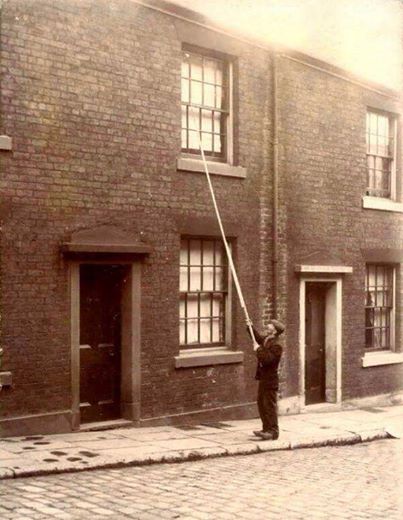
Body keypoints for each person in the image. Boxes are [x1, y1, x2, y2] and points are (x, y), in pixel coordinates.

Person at [247, 319, 285, 440]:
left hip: (270, 380)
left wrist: (258, 349)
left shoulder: (277, 345)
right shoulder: (268, 340)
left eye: (270, 324)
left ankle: (273, 431)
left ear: (274, 330)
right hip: (264, 379)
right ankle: (266, 429)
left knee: (269, 406)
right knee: (262, 404)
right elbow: (257, 338)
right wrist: (250, 326)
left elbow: (267, 360)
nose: (267, 325)